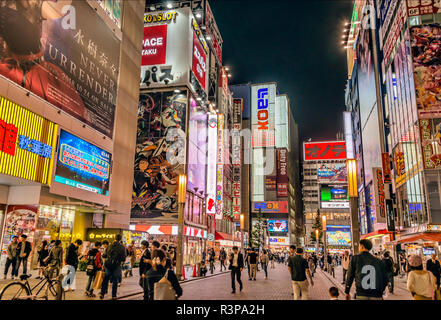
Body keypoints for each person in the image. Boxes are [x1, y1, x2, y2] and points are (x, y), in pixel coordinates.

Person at [100, 234, 126, 300]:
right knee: (115, 280)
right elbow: (123, 258)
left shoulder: (109, 246)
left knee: (106, 279)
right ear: (120, 239)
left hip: (108, 265)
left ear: (114, 238)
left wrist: (103, 264)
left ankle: (102, 293)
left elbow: (104, 256)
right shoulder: (122, 247)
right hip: (116, 265)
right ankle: (113, 295)